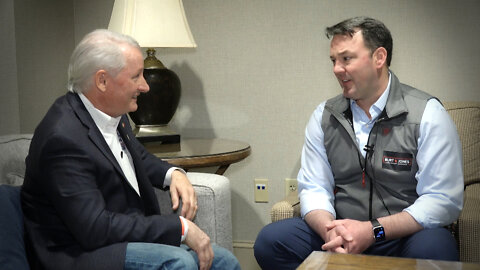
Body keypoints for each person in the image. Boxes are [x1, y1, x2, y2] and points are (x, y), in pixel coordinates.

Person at [254, 17, 464, 269]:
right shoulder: (325, 115)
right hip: (341, 230)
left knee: (437, 250)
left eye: (346, 59)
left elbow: (442, 200)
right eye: (333, 60)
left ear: (379, 58)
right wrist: (330, 231)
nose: (336, 69)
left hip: (403, 235)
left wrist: (372, 230)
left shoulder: (427, 115)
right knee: (272, 241)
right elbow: (314, 187)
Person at [20, 29, 240, 270]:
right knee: (179, 263)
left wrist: (174, 174)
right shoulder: (62, 138)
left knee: (224, 261)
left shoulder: (113, 114)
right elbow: (94, 228)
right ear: (102, 81)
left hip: (116, 239)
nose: (145, 86)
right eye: (136, 77)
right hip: (79, 253)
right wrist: (181, 228)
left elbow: (138, 157)